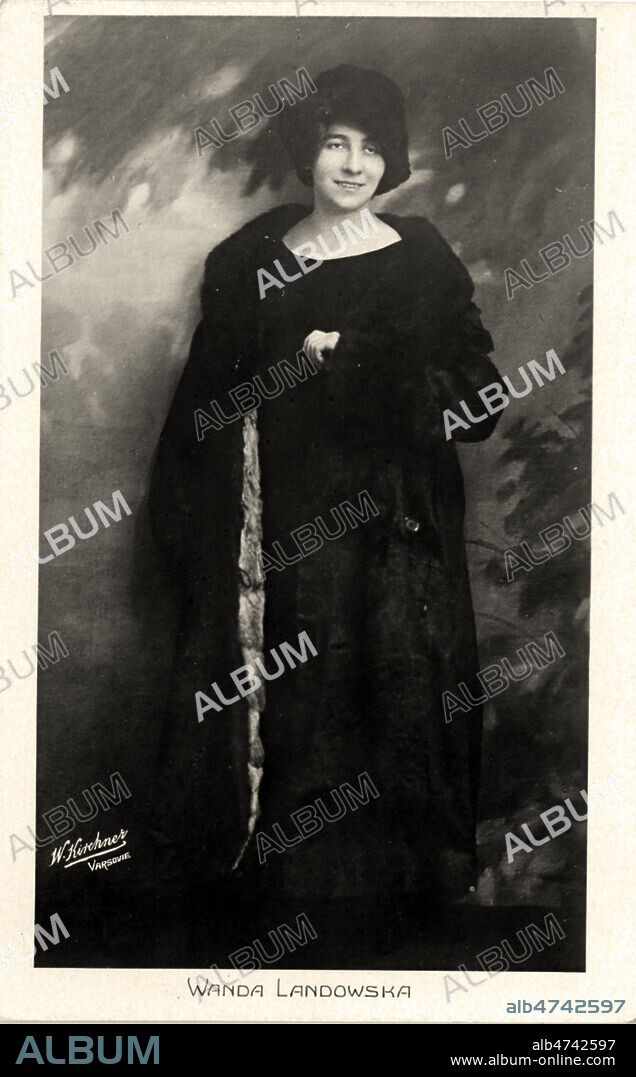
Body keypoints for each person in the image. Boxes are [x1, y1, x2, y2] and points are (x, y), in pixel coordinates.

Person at [148, 64, 504, 961]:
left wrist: (351, 358)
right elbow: (201, 412)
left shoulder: (421, 260)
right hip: (279, 554)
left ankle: (392, 945)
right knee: (292, 729)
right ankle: (279, 937)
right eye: (336, 142)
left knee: (390, 716)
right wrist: (198, 540)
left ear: (393, 161)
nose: (351, 164)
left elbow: (481, 403)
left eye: (372, 147)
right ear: (306, 149)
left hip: (393, 550)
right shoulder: (248, 263)